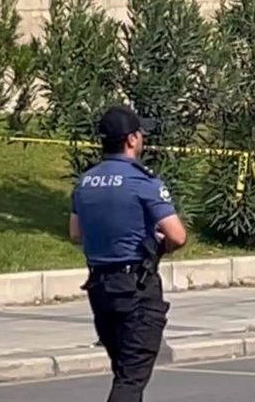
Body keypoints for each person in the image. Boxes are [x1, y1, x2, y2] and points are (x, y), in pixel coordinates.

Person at [70, 105, 187, 402]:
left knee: (123, 371)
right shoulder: (143, 182)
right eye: (141, 134)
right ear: (132, 139)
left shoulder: (85, 182)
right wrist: (158, 243)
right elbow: (177, 235)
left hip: (100, 287)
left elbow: (75, 234)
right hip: (136, 288)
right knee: (131, 379)